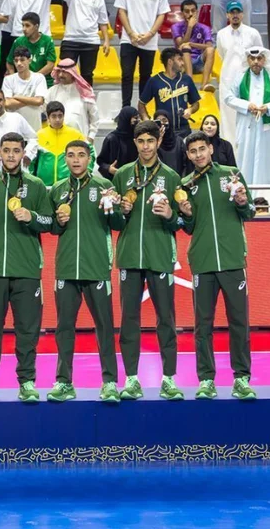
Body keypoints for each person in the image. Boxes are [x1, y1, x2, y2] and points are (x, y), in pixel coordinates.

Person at [0, 130, 53, 405]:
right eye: (7, 150)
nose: (11, 155)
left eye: (16, 150)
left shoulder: (37, 185)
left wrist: (32, 216)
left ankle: (27, 381)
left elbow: (50, 223)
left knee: (27, 329)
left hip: (27, 269)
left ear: (23, 152)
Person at [177, 131, 256, 401]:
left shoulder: (231, 175)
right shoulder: (185, 184)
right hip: (203, 262)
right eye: (193, 151)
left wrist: (244, 202)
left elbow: (250, 211)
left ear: (210, 149)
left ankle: (241, 378)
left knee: (239, 322)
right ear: (187, 155)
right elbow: (187, 227)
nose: (198, 154)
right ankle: (207, 379)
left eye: (202, 149)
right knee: (203, 325)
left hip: (233, 260)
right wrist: (186, 215)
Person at [112, 120, 185, 401]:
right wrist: (122, 211)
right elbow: (115, 222)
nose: (145, 147)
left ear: (158, 142)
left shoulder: (171, 177)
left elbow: (181, 221)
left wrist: (169, 215)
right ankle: (131, 379)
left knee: (166, 319)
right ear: (135, 143)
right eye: (140, 142)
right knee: (129, 319)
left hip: (160, 255)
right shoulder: (122, 176)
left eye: (150, 142)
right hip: (129, 256)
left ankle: (168, 378)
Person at [47, 139, 123, 403]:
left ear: (89, 158)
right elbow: (53, 229)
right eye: (71, 155)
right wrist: (58, 221)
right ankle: (64, 382)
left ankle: (110, 382)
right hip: (66, 268)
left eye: (81, 155)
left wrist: (114, 207)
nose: (76, 160)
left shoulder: (104, 187)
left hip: (97, 268)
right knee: (64, 327)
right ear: (65, 159)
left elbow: (117, 224)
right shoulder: (56, 190)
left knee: (104, 327)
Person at [114, 0, 171, 108]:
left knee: (145, 76)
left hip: (149, 41)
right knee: (126, 75)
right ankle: (125, 109)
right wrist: (131, 34)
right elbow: (121, 11)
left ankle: (141, 109)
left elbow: (162, 14)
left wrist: (150, 34)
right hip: (129, 39)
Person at [225, 46, 270, 185]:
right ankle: (247, 192)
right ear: (248, 60)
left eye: (259, 58)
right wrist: (246, 105)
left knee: (268, 158)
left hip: (267, 127)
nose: (256, 61)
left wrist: (268, 107)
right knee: (246, 157)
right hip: (247, 126)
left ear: (264, 60)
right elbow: (228, 97)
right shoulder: (239, 78)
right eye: (252, 58)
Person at [50, 0, 110, 87]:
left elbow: (103, 21)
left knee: (87, 74)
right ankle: (64, 101)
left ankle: (87, 102)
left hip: (90, 41)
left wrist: (106, 41)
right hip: (70, 40)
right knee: (65, 72)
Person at [215, 0, 263, 139]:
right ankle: (230, 151)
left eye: (237, 12)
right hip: (228, 79)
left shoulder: (252, 33)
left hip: (248, 79)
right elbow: (221, 54)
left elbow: (260, 55)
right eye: (232, 12)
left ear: (242, 14)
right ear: (227, 15)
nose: (235, 15)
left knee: (248, 111)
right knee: (228, 114)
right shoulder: (221, 34)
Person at [139, 47, 200, 138]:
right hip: (162, 130)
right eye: (179, 60)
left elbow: (196, 104)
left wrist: (190, 110)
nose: (183, 63)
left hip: (184, 129)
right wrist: (146, 120)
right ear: (170, 62)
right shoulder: (155, 80)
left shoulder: (186, 79)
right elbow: (141, 104)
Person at [45, 59, 99, 143]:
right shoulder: (52, 91)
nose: (60, 75)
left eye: (64, 72)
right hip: (57, 141)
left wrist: (91, 137)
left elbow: (94, 117)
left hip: (81, 140)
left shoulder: (85, 91)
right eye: (59, 71)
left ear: (72, 73)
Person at [2, 47, 48, 129]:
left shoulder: (39, 78)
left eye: (22, 60)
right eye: (16, 60)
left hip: (34, 128)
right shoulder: (8, 79)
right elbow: (7, 103)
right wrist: (32, 100)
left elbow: (39, 101)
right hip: (14, 128)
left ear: (29, 61)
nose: (19, 63)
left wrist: (17, 97)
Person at [97, 106, 140, 179]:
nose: (138, 120)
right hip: (116, 179)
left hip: (136, 179)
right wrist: (109, 169)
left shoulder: (138, 137)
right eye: (135, 118)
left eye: (138, 118)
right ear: (126, 119)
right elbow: (101, 161)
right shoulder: (112, 138)